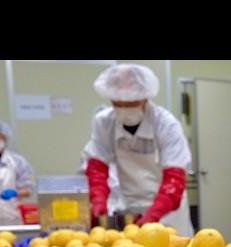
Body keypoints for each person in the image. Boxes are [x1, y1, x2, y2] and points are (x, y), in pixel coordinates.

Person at [81, 63, 194, 236]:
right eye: (118, 103)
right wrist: (98, 200)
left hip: (168, 211)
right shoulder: (104, 122)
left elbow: (174, 178)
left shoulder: (166, 124)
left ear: (145, 97)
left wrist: (153, 215)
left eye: (132, 102)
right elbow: (97, 166)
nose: (125, 108)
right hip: (130, 207)